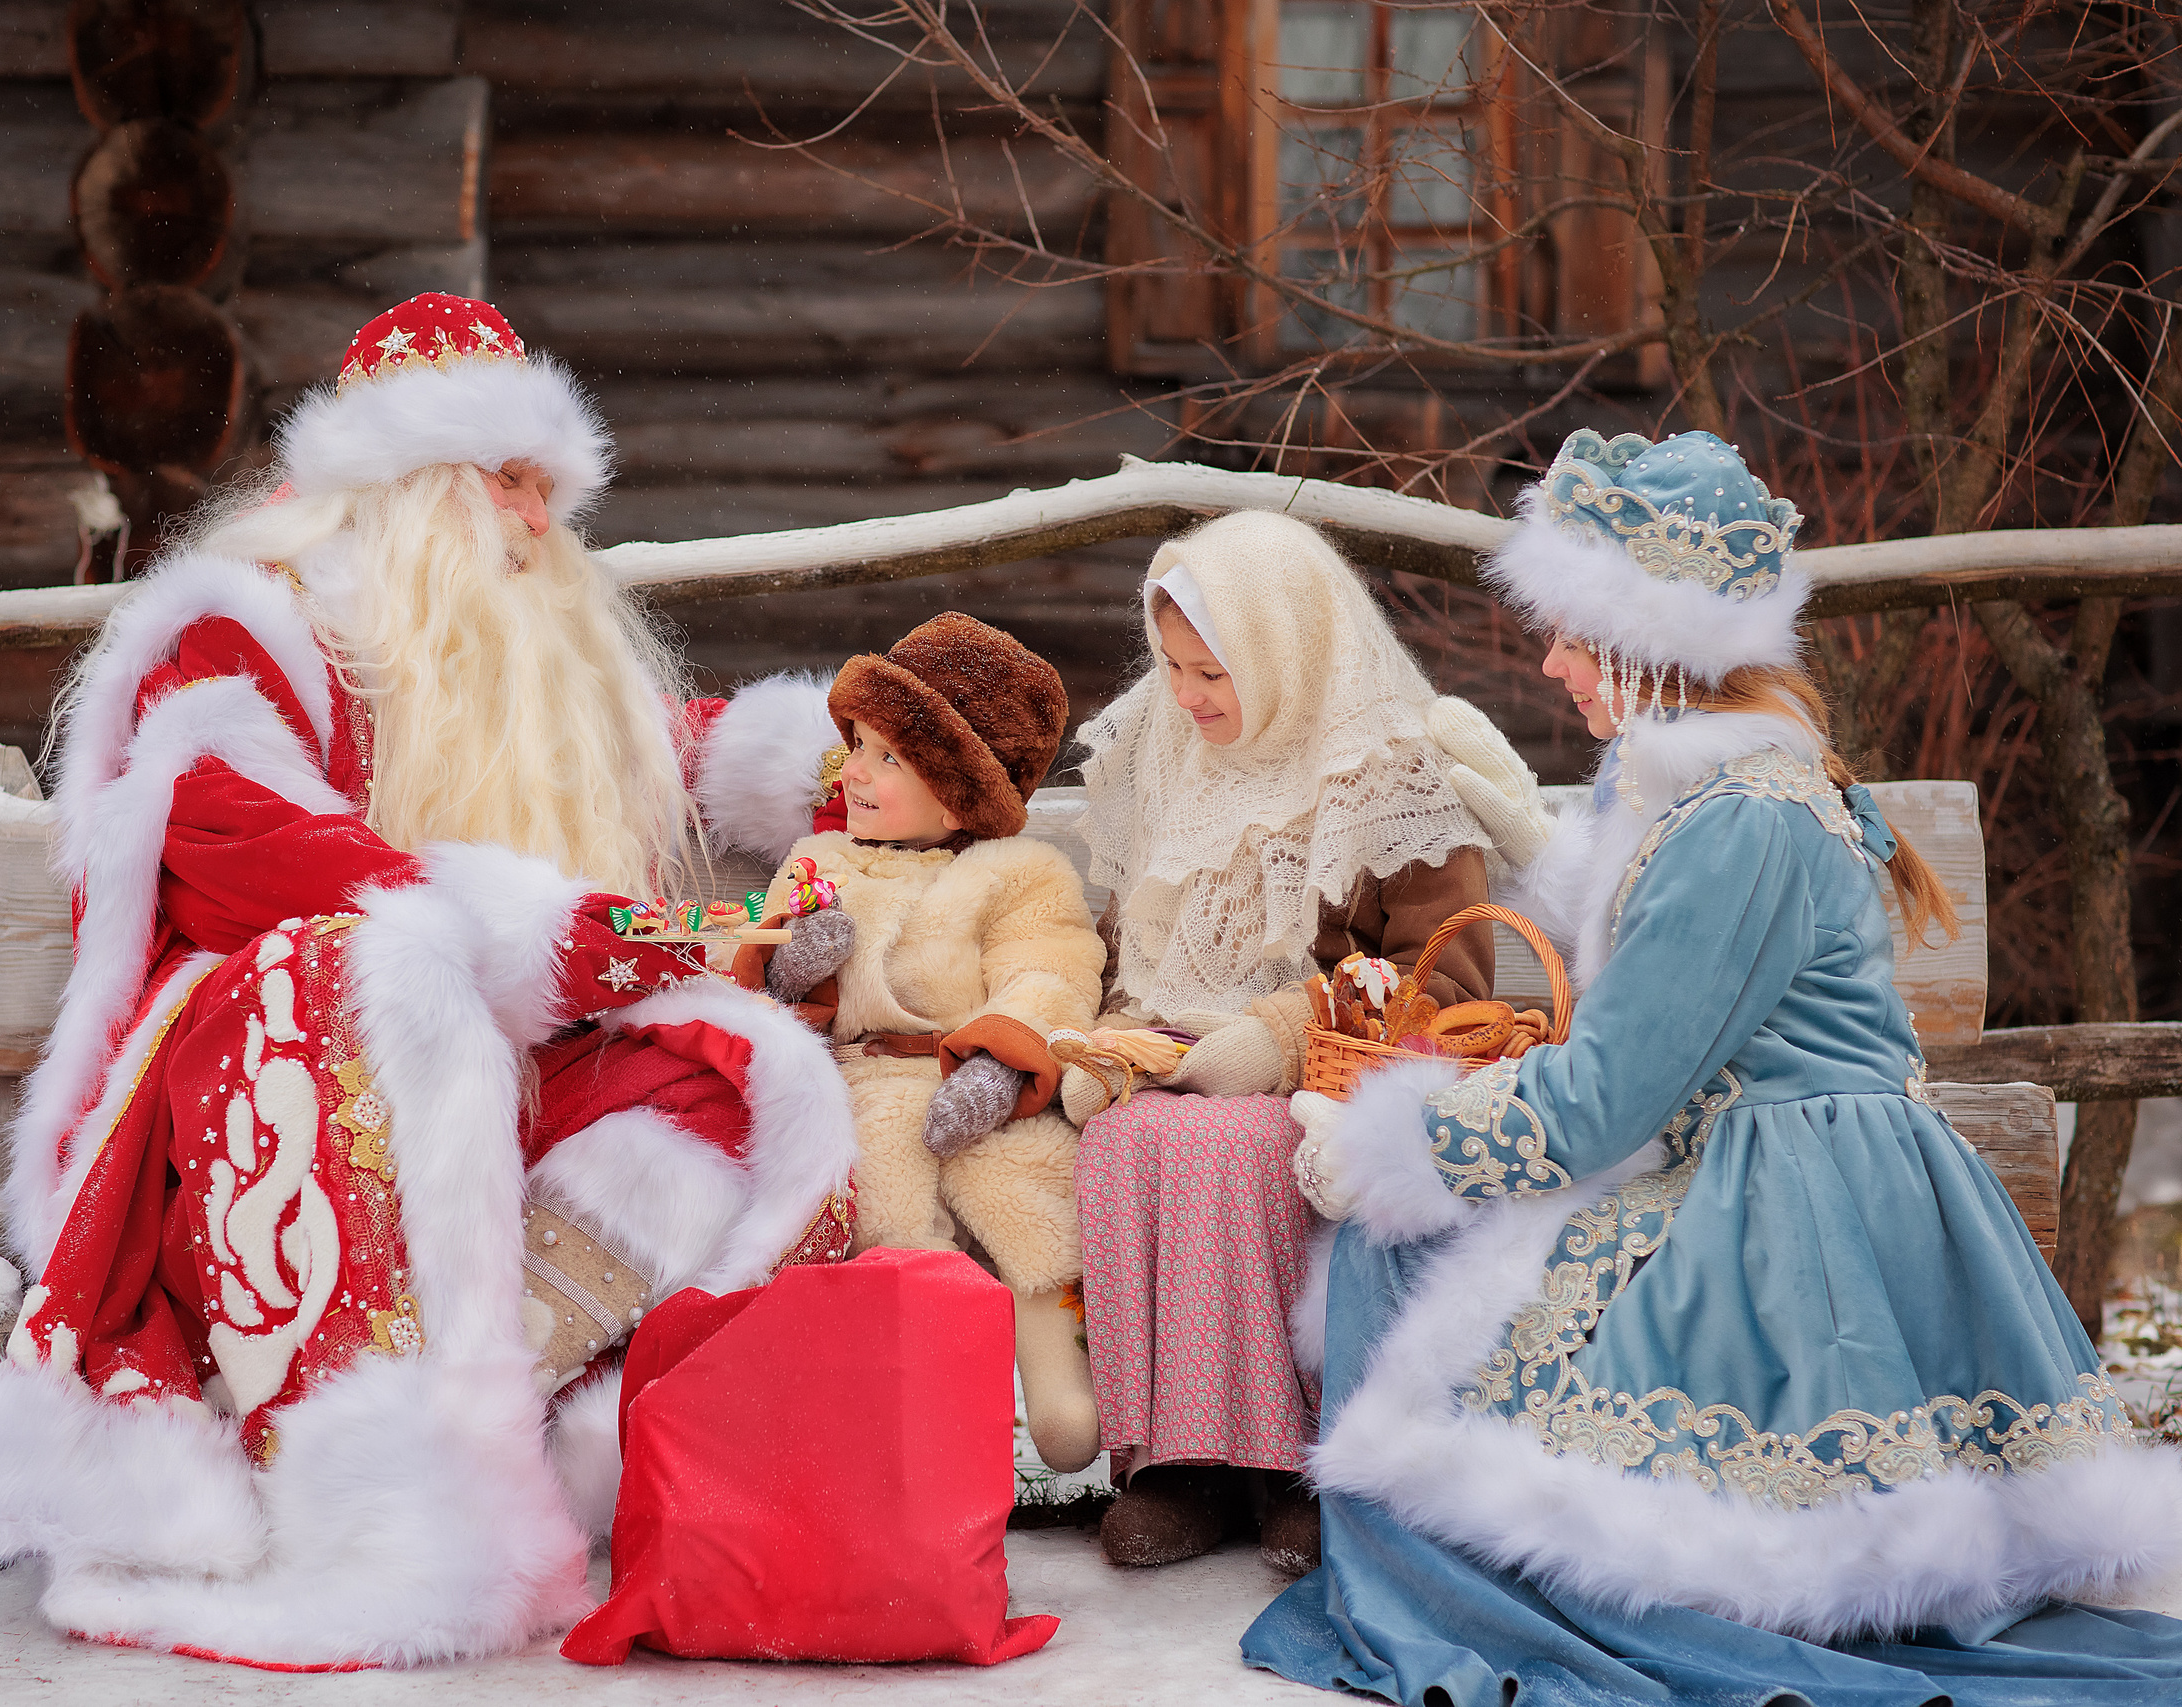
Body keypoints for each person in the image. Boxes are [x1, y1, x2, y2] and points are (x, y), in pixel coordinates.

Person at [0, 295, 858, 1670]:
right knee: (358, 965)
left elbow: (672, 749)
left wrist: (848, 766)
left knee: (737, 1075)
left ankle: (489, 1421)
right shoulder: (245, 629)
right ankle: (347, 1478)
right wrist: (556, 931)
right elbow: (250, 850)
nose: (539, 524)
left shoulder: (521, 657)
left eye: (550, 491)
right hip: (262, 1092)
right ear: (412, 481)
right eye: (510, 482)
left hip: (502, 1086)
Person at [1248, 428, 2182, 1703]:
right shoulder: (1718, 788)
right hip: (1773, 1159)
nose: (1552, 663)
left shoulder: (1735, 821)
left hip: (1782, 1208)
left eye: (1573, 636)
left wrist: (1396, 1141)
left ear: (1653, 643)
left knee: (1389, 1244)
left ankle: (1458, 1547)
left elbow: (1607, 1098)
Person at [1068, 510, 1539, 1572]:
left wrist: (1281, 1035)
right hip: (1186, 1058)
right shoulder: (1169, 756)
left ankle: (1295, 1464)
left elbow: (1446, 976)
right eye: (1171, 666)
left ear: (1283, 652)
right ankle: (1178, 1463)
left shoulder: (1388, 774)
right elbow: (1134, 937)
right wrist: (1112, 1040)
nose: (1186, 696)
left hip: (1330, 1077)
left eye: (1212, 673)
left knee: (1235, 1146)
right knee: (1125, 1141)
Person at [735, 613, 1106, 1472]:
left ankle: (1060, 1387)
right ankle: (937, 1395)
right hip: (862, 1083)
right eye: (856, 745)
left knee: (1036, 1188)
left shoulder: (1021, 874)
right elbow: (745, 961)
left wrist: (997, 1068)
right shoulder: (821, 858)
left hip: (984, 1083)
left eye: (888, 757)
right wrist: (791, 965)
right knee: (886, 1201)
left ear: (956, 793)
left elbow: (1049, 970)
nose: (853, 772)